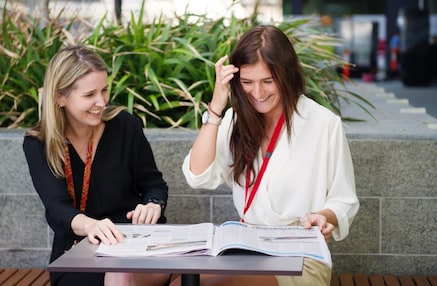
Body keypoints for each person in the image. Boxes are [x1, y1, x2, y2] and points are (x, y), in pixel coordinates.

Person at [180, 25, 360, 285]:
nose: (258, 93)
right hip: (245, 249)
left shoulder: (323, 123)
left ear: (286, 76)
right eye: (247, 82)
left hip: (300, 255)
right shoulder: (234, 120)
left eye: (267, 81)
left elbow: (344, 200)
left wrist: (325, 217)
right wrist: (217, 107)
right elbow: (197, 176)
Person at [23, 45, 170, 286]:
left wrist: (153, 205)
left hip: (135, 244)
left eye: (104, 90)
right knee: (118, 275)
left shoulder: (126, 126)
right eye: (90, 95)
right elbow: (56, 208)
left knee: (126, 272)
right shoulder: (39, 143)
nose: (101, 102)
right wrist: (91, 225)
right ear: (60, 97)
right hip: (77, 251)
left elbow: (155, 185)